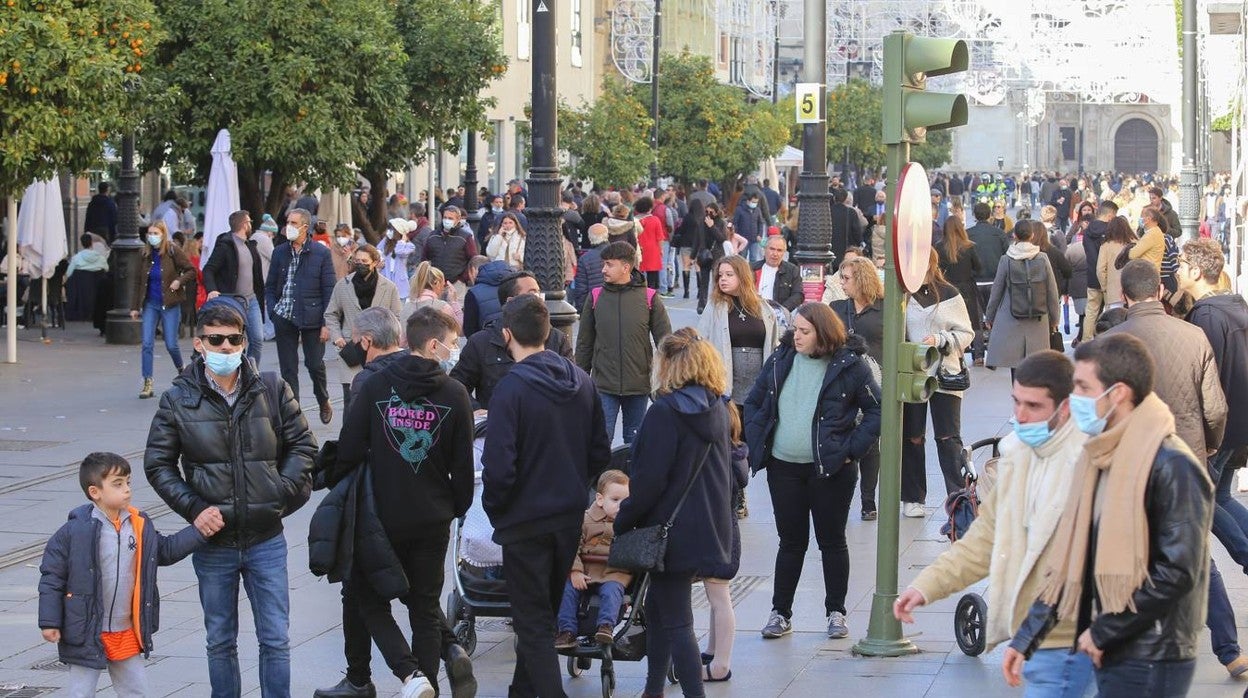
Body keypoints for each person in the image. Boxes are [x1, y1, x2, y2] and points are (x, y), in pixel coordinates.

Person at [1003, 334, 1213, 698]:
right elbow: (1076, 559)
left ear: (1117, 393)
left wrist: (1104, 630)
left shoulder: (1172, 464)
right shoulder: (1100, 456)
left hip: (1154, 653)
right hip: (1116, 644)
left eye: (1084, 387)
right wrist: (1026, 637)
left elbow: (1179, 570)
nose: (1075, 399)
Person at [144, 297, 317, 698]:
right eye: (215, 339)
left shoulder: (271, 388)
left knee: (275, 638)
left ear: (244, 342)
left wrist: (279, 493)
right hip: (214, 542)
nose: (225, 348)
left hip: (266, 540)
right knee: (220, 641)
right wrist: (194, 508)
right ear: (200, 344)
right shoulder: (178, 399)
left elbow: (304, 447)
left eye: (233, 339)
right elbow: (158, 464)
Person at [895, 351, 1094, 697]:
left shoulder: (1089, 460)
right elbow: (986, 538)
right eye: (1016, 402)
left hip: (1074, 637)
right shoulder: (1018, 454)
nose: (1019, 415)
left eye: (1034, 406)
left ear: (1064, 408)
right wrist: (926, 586)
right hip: (1040, 638)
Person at [332, 306, 476, 698]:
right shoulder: (454, 393)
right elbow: (463, 466)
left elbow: (349, 447)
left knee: (366, 594)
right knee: (425, 609)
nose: (453, 350)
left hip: (382, 513)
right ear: (432, 345)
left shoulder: (374, 385)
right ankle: (422, 679)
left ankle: (411, 676)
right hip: (432, 516)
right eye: (450, 343)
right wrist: (453, 508)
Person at [482, 295, 611, 698]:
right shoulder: (582, 381)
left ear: (507, 335)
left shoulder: (510, 389)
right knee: (538, 619)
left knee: (533, 625)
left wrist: (498, 508)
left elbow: (499, 466)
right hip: (566, 517)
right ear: (548, 334)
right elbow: (599, 453)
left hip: (525, 521)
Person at [744, 303, 882, 640]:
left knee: (832, 541)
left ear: (823, 332)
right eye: (795, 329)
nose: (796, 336)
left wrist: (850, 450)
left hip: (831, 470)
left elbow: (877, 411)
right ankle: (780, 612)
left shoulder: (851, 365)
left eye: (804, 331)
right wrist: (756, 436)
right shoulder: (781, 358)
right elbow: (754, 400)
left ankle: (836, 612)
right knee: (790, 542)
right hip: (783, 467)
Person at [615, 328, 737, 697]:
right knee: (658, 609)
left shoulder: (665, 412)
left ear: (670, 366)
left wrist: (624, 520)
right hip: (709, 527)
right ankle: (653, 689)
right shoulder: (717, 408)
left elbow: (648, 480)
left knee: (678, 622)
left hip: (670, 530)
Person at [38, 452, 217, 698]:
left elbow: (163, 551)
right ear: (95, 492)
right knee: (81, 692)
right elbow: (52, 577)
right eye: (118, 484)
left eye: (128, 482)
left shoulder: (139, 524)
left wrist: (199, 531)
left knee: (136, 690)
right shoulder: (73, 532)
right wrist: (50, 621)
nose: (127, 490)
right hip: (87, 629)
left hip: (126, 629)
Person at [1177, 239, 1248, 677]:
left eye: (1182, 264)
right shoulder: (1236, 306)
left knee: (1200, 514)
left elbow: (1206, 381)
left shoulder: (1205, 315)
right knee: (1218, 501)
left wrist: (1203, 437)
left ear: (1198, 271)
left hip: (1217, 434)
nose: (1176, 270)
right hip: (1240, 427)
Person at [1102, 260, 1226, 463]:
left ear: (1122, 294)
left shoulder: (1105, 343)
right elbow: (1215, 409)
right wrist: (1210, 443)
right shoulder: (1195, 336)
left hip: (1131, 457)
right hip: (1187, 454)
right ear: (1160, 290)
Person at [575, 241, 672, 445]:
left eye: (609, 264)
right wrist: (580, 381)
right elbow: (584, 344)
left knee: (634, 442)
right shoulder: (595, 297)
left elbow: (666, 343)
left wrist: (665, 380)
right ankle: (600, 478)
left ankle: (632, 478)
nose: (603, 269)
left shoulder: (649, 298)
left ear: (626, 267)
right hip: (603, 385)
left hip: (639, 385)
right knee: (601, 440)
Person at [901, 253, 975, 518]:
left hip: (946, 372)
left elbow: (967, 333)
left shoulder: (948, 293)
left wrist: (941, 339)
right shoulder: (902, 294)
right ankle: (912, 497)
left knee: (948, 436)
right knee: (912, 436)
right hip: (912, 374)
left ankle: (957, 496)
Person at [452, 270, 574, 411]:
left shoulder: (556, 338)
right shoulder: (481, 342)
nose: (539, 299)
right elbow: (458, 384)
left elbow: (571, 384)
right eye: (532, 293)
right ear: (510, 301)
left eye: (539, 293)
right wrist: (476, 410)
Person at [266, 207, 337, 424]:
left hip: (313, 317)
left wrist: (326, 322)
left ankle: (323, 398)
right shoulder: (279, 251)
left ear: (305, 227)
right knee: (288, 369)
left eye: (294, 223)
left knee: (315, 364)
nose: (289, 227)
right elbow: (269, 286)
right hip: (284, 315)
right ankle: (294, 413)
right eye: (288, 222)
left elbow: (329, 289)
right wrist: (273, 311)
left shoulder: (321, 253)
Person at [554, 470, 632, 648]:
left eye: (625, 501)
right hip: (585, 571)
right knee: (566, 590)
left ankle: (605, 627)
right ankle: (567, 630)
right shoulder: (585, 520)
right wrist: (575, 571)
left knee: (613, 591)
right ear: (600, 499)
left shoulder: (629, 523)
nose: (621, 506)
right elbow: (572, 547)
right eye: (615, 500)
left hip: (613, 572)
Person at [833, 257, 885, 520]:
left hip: (875, 382)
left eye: (846, 278)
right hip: (843, 381)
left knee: (871, 441)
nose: (841, 283)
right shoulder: (837, 308)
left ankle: (868, 500)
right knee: (842, 436)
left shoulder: (884, 308)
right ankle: (843, 498)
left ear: (862, 279)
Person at [324, 244, 403, 412]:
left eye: (364, 261)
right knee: (350, 402)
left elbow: (397, 318)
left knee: (379, 400)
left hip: (380, 351)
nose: (360, 264)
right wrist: (337, 337)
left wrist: (392, 344)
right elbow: (331, 314)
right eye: (357, 260)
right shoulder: (343, 285)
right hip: (351, 349)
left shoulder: (389, 287)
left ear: (375, 262)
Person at [129, 220, 195, 399]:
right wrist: (134, 307)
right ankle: (147, 381)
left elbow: (191, 270)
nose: (152, 237)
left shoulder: (173, 251)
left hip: (170, 304)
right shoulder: (144, 254)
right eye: (149, 234)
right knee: (147, 343)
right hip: (150, 303)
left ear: (163, 235)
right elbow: (137, 282)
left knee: (171, 344)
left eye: (155, 233)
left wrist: (178, 281)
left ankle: (182, 371)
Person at [984, 221, 1061, 374]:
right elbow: (1052, 290)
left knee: (1015, 365)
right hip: (1038, 318)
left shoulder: (1006, 259)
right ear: (1032, 236)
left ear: (1014, 235)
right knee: (1037, 366)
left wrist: (989, 317)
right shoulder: (1042, 258)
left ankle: (1018, 394)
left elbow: (996, 291)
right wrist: (1054, 319)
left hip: (1011, 317)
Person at [203, 210, 267, 364]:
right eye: (249, 222)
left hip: (251, 300)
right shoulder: (225, 245)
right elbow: (209, 269)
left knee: (257, 339)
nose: (251, 224)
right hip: (231, 301)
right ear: (245, 224)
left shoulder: (251, 245)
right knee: (236, 341)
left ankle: (251, 372)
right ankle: (238, 370)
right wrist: (212, 289)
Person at [937, 215, 984, 365]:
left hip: (947, 288)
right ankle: (978, 355)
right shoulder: (969, 246)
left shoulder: (938, 246)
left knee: (950, 323)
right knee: (973, 321)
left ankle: (955, 353)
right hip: (967, 288)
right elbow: (979, 267)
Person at [967, 201, 1009, 361]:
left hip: (974, 282)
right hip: (995, 281)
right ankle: (994, 353)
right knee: (995, 318)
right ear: (990, 215)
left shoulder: (968, 234)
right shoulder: (999, 234)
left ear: (974, 216)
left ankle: (978, 355)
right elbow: (1008, 256)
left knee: (976, 320)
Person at [422, 206, 478, 285]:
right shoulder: (432, 236)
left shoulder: (465, 237)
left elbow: (473, 259)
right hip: (434, 282)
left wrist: (462, 279)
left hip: (457, 284)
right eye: (445, 217)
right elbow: (424, 258)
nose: (447, 220)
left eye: (450, 218)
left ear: (458, 219)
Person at [461, 258, 513, 336]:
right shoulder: (515, 285)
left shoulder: (473, 293)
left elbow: (469, 330)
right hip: (516, 340)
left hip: (487, 342)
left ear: (473, 270)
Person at [752, 236, 803, 311]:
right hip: (754, 311)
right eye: (772, 249)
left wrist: (781, 310)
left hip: (779, 314)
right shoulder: (751, 268)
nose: (775, 254)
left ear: (784, 253)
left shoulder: (792, 270)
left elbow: (798, 295)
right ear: (765, 249)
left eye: (779, 250)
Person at [1095, 216, 1135, 310]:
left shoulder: (1106, 246)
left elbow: (1100, 270)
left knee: (1116, 321)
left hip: (1114, 293)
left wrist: (1105, 287)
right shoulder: (1136, 243)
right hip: (1133, 292)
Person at [406, 261, 462, 325]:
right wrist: (454, 302)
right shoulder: (443, 307)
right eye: (443, 286)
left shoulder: (406, 308)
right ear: (436, 283)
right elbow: (460, 330)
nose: (443, 290)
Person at [570, 223, 609, 310]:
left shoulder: (585, 258)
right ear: (607, 235)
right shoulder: (617, 253)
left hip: (594, 304)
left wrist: (581, 309)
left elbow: (581, 288)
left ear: (590, 237)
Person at [379, 218, 417, 301]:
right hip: (385, 278)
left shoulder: (409, 246)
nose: (389, 231)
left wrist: (402, 241)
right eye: (389, 228)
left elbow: (399, 251)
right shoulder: (385, 242)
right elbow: (377, 252)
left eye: (392, 229)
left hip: (400, 283)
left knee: (399, 311)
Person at [829, 189, 864, 265]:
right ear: (845, 199)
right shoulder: (851, 212)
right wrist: (859, 243)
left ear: (834, 198)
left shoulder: (828, 211)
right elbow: (857, 232)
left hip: (830, 251)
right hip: (846, 251)